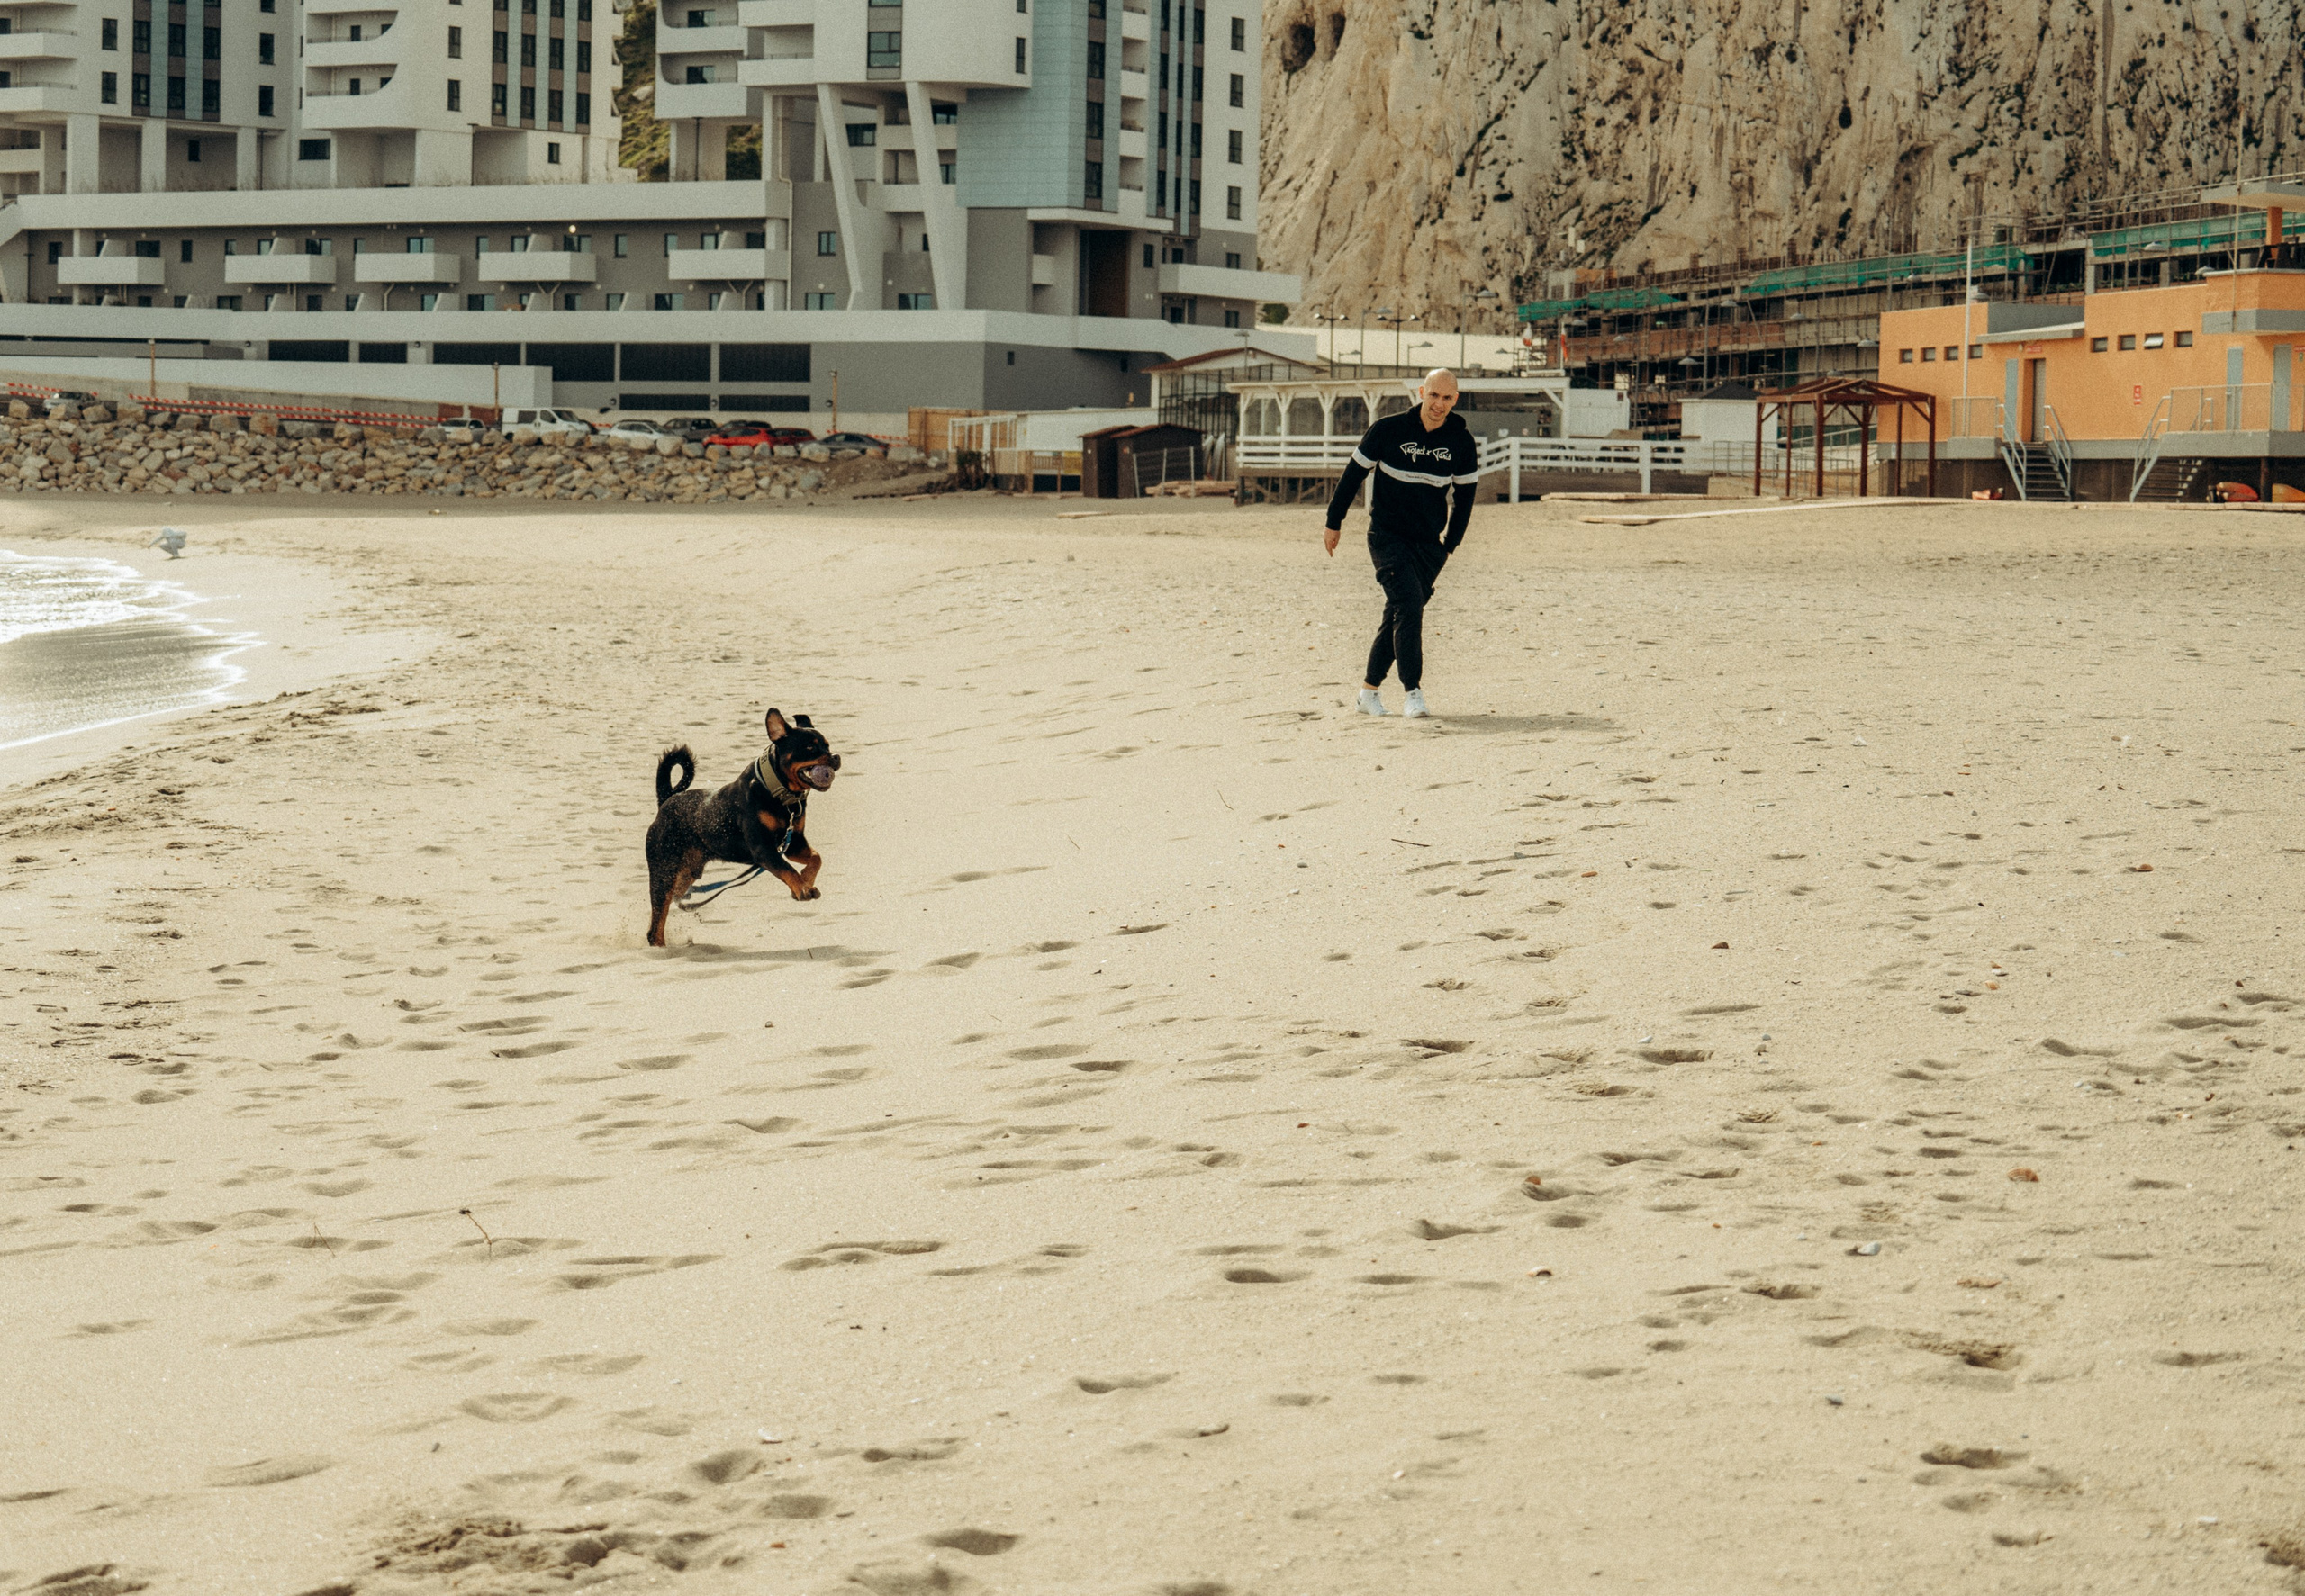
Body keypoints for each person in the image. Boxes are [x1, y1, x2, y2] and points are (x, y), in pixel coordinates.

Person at [1323, 368, 1480, 717]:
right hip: (1387, 537)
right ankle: (1413, 693)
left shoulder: (1461, 442)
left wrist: (1448, 546)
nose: (1439, 404)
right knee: (1408, 605)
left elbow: (1465, 499)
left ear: (1455, 400)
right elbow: (1353, 476)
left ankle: (1368, 694)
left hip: (1429, 546)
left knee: (1398, 612)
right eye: (1434, 395)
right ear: (1422, 392)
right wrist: (1334, 522)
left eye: (1447, 398)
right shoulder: (1388, 430)